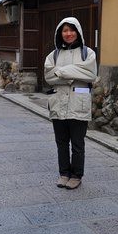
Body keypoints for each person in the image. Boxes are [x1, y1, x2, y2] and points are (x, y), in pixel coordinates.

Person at [44, 17, 97, 189]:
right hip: (58, 104)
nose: (68, 33)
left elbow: (90, 75)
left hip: (78, 103)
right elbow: (49, 77)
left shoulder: (87, 53)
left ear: (78, 32)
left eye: (71, 30)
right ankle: (64, 173)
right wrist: (74, 74)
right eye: (65, 30)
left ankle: (76, 175)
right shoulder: (53, 55)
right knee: (61, 142)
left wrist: (61, 72)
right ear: (60, 33)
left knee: (77, 143)